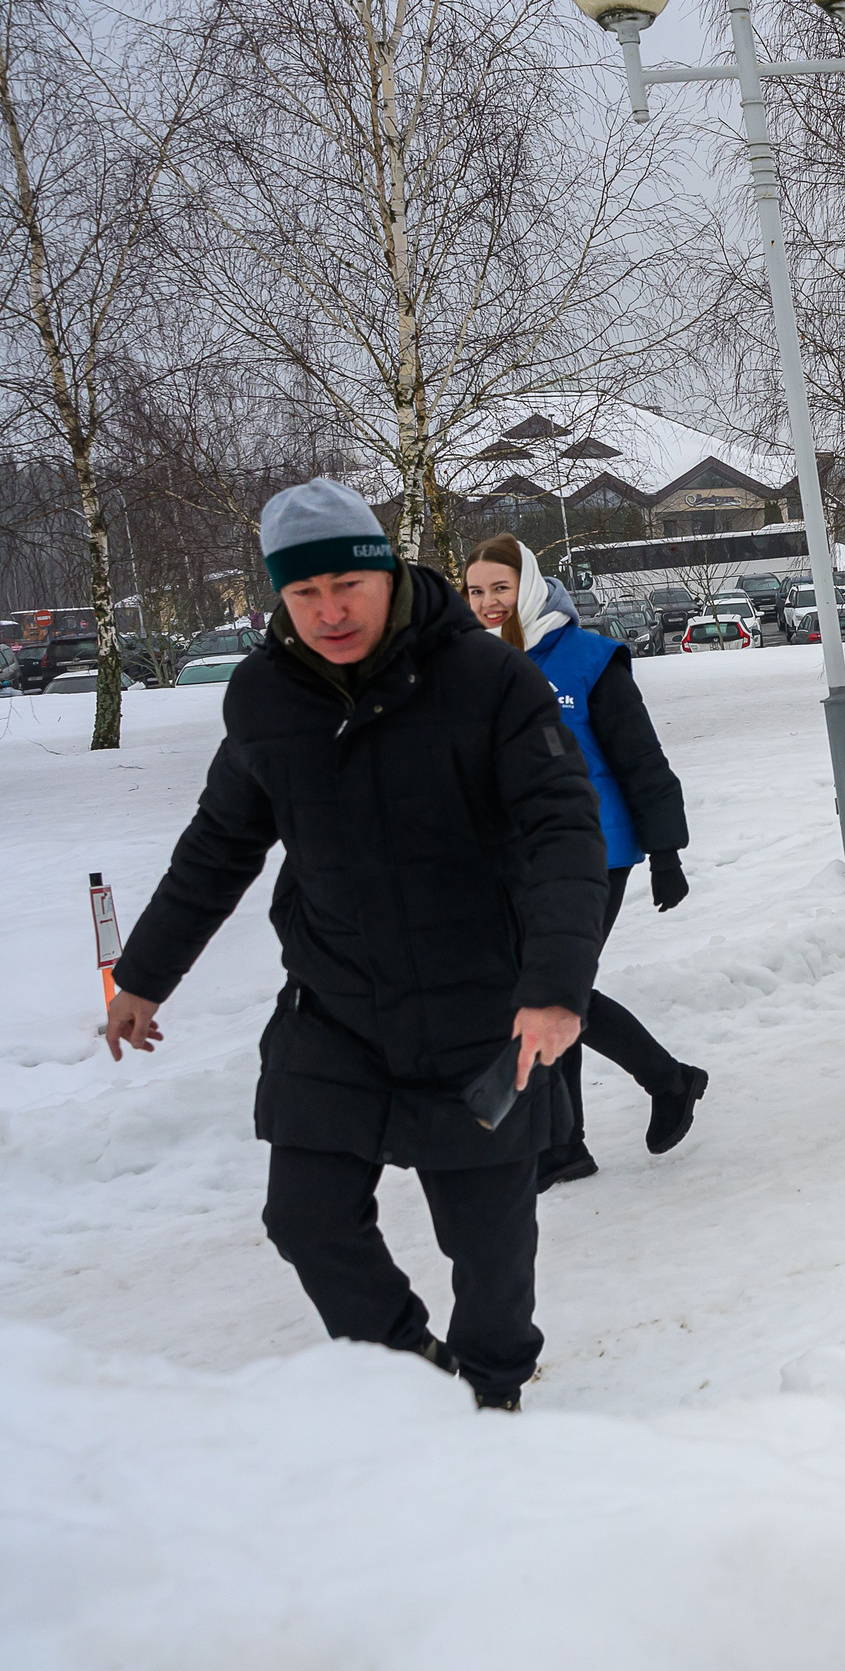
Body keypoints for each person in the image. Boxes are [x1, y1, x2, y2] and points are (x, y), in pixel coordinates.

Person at [103, 477, 605, 1412]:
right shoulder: (264, 696)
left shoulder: (489, 679)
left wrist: (554, 984)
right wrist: (142, 975)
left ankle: (495, 1396)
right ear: (279, 596)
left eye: (348, 586)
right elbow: (221, 841)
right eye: (304, 594)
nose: (329, 612)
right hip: (334, 1007)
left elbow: (562, 831)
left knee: (487, 1246)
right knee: (305, 1216)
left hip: (478, 1007)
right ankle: (410, 1372)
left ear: (387, 573)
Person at [462, 535, 707, 1190]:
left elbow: (641, 760)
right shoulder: (471, 670)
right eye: (476, 591)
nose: (487, 603)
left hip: (595, 850)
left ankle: (665, 1083)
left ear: (531, 588)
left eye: (500, 589)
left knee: (551, 986)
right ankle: (566, 1143)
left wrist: (666, 852)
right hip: (516, 857)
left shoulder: (590, 661)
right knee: (544, 986)